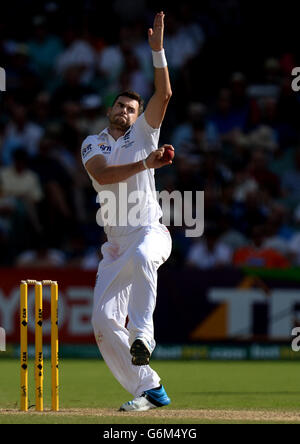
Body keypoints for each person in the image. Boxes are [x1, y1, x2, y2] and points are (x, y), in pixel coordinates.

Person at [81, 12, 173, 412]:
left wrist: (157, 52)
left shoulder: (144, 134)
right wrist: (145, 165)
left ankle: (143, 336)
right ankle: (150, 389)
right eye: (119, 105)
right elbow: (104, 175)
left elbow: (164, 95)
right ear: (110, 111)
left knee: (141, 256)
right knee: (101, 324)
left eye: (131, 108)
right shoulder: (93, 144)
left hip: (150, 233)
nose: (124, 110)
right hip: (115, 244)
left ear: (139, 118)